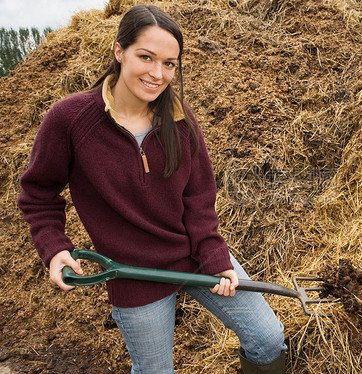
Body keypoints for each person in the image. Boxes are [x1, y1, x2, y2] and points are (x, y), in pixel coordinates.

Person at [17, 5, 286, 374]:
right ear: (119, 51)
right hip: (131, 274)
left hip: (192, 257)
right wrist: (54, 247)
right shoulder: (71, 120)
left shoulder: (179, 118)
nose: (158, 74)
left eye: (170, 63)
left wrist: (214, 257)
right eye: (146, 57)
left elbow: (198, 198)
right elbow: (38, 192)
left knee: (268, 337)